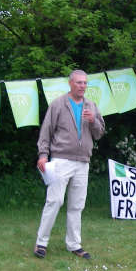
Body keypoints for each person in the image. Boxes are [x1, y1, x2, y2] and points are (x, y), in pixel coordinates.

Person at [33, 69, 105, 260]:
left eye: (85, 83)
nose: (82, 86)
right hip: (61, 159)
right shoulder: (58, 104)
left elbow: (99, 133)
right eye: (79, 82)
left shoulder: (91, 105)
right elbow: (46, 131)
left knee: (77, 205)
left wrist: (93, 121)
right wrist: (43, 154)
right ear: (70, 83)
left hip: (83, 162)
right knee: (54, 201)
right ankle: (41, 242)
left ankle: (74, 244)